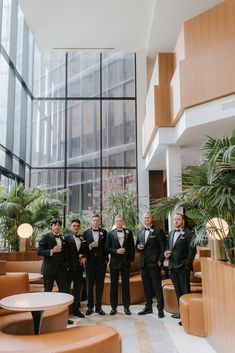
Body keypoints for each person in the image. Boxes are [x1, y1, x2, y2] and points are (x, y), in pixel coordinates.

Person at [164, 213, 196, 323]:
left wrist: (187, 265)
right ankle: (181, 314)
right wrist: (166, 253)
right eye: (174, 220)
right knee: (178, 291)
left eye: (178, 219)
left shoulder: (189, 233)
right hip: (172, 267)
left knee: (185, 292)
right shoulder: (171, 232)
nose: (176, 221)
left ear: (183, 221)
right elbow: (168, 247)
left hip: (183, 267)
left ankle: (188, 316)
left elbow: (192, 251)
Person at [136, 212, 166, 318]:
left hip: (154, 264)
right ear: (143, 220)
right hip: (143, 264)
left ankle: (160, 309)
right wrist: (138, 247)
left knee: (157, 287)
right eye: (145, 218)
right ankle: (148, 307)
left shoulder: (158, 231)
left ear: (151, 219)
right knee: (146, 287)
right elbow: (137, 245)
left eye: (148, 218)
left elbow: (163, 247)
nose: (146, 219)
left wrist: (160, 261)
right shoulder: (140, 232)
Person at [105, 215, 135, 315]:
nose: (119, 223)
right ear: (115, 222)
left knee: (126, 285)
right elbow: (107, 248)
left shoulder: (128, 232)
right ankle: (113, 307)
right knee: (114, 285)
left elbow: (132, 247)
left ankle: (127, 307)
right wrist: (116, 251)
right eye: (117, 221)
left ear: (123, 222)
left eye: (120, 221)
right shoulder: (110, 233)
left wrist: (131, 259)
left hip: (126, 263)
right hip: (114, 262)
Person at [83, 214, 108, 315]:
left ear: (99, 221)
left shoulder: (104, 232)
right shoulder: (85, 233)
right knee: (89, 286)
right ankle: (90, 307)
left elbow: (106, 246)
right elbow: (83, 247)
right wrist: (89, 246)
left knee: (100, 286)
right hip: (89, 264)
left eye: (97, 220)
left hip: (101, 264)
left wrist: (106, 260)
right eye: (94, 220)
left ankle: (98, 307)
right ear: (91, 221)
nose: (95, 222)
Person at [38, 218, 69, 293]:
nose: (57, 227)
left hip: (62, 269)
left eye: (59, 225)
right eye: (55, 225)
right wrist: (52, 251)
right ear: (51, 226)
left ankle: (63, 305)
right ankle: (47, 305)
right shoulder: (45, 237)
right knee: (48, 291)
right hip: (49, 269)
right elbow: (39, 252)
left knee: (64, 291)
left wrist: (66, 265)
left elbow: (66, 253)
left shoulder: (63, 238)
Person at [66, 218, 87, 318]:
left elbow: (85, 250)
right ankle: (65, 311)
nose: (76, 227)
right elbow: (64, 254)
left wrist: (84, 257)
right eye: (74, 226)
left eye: (78, 226)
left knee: (77, 289)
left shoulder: (82, 238)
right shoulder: (66, 238)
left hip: (79, 268)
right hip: (69, 269)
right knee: (66, 290)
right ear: (71, 227)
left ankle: (76, 310)